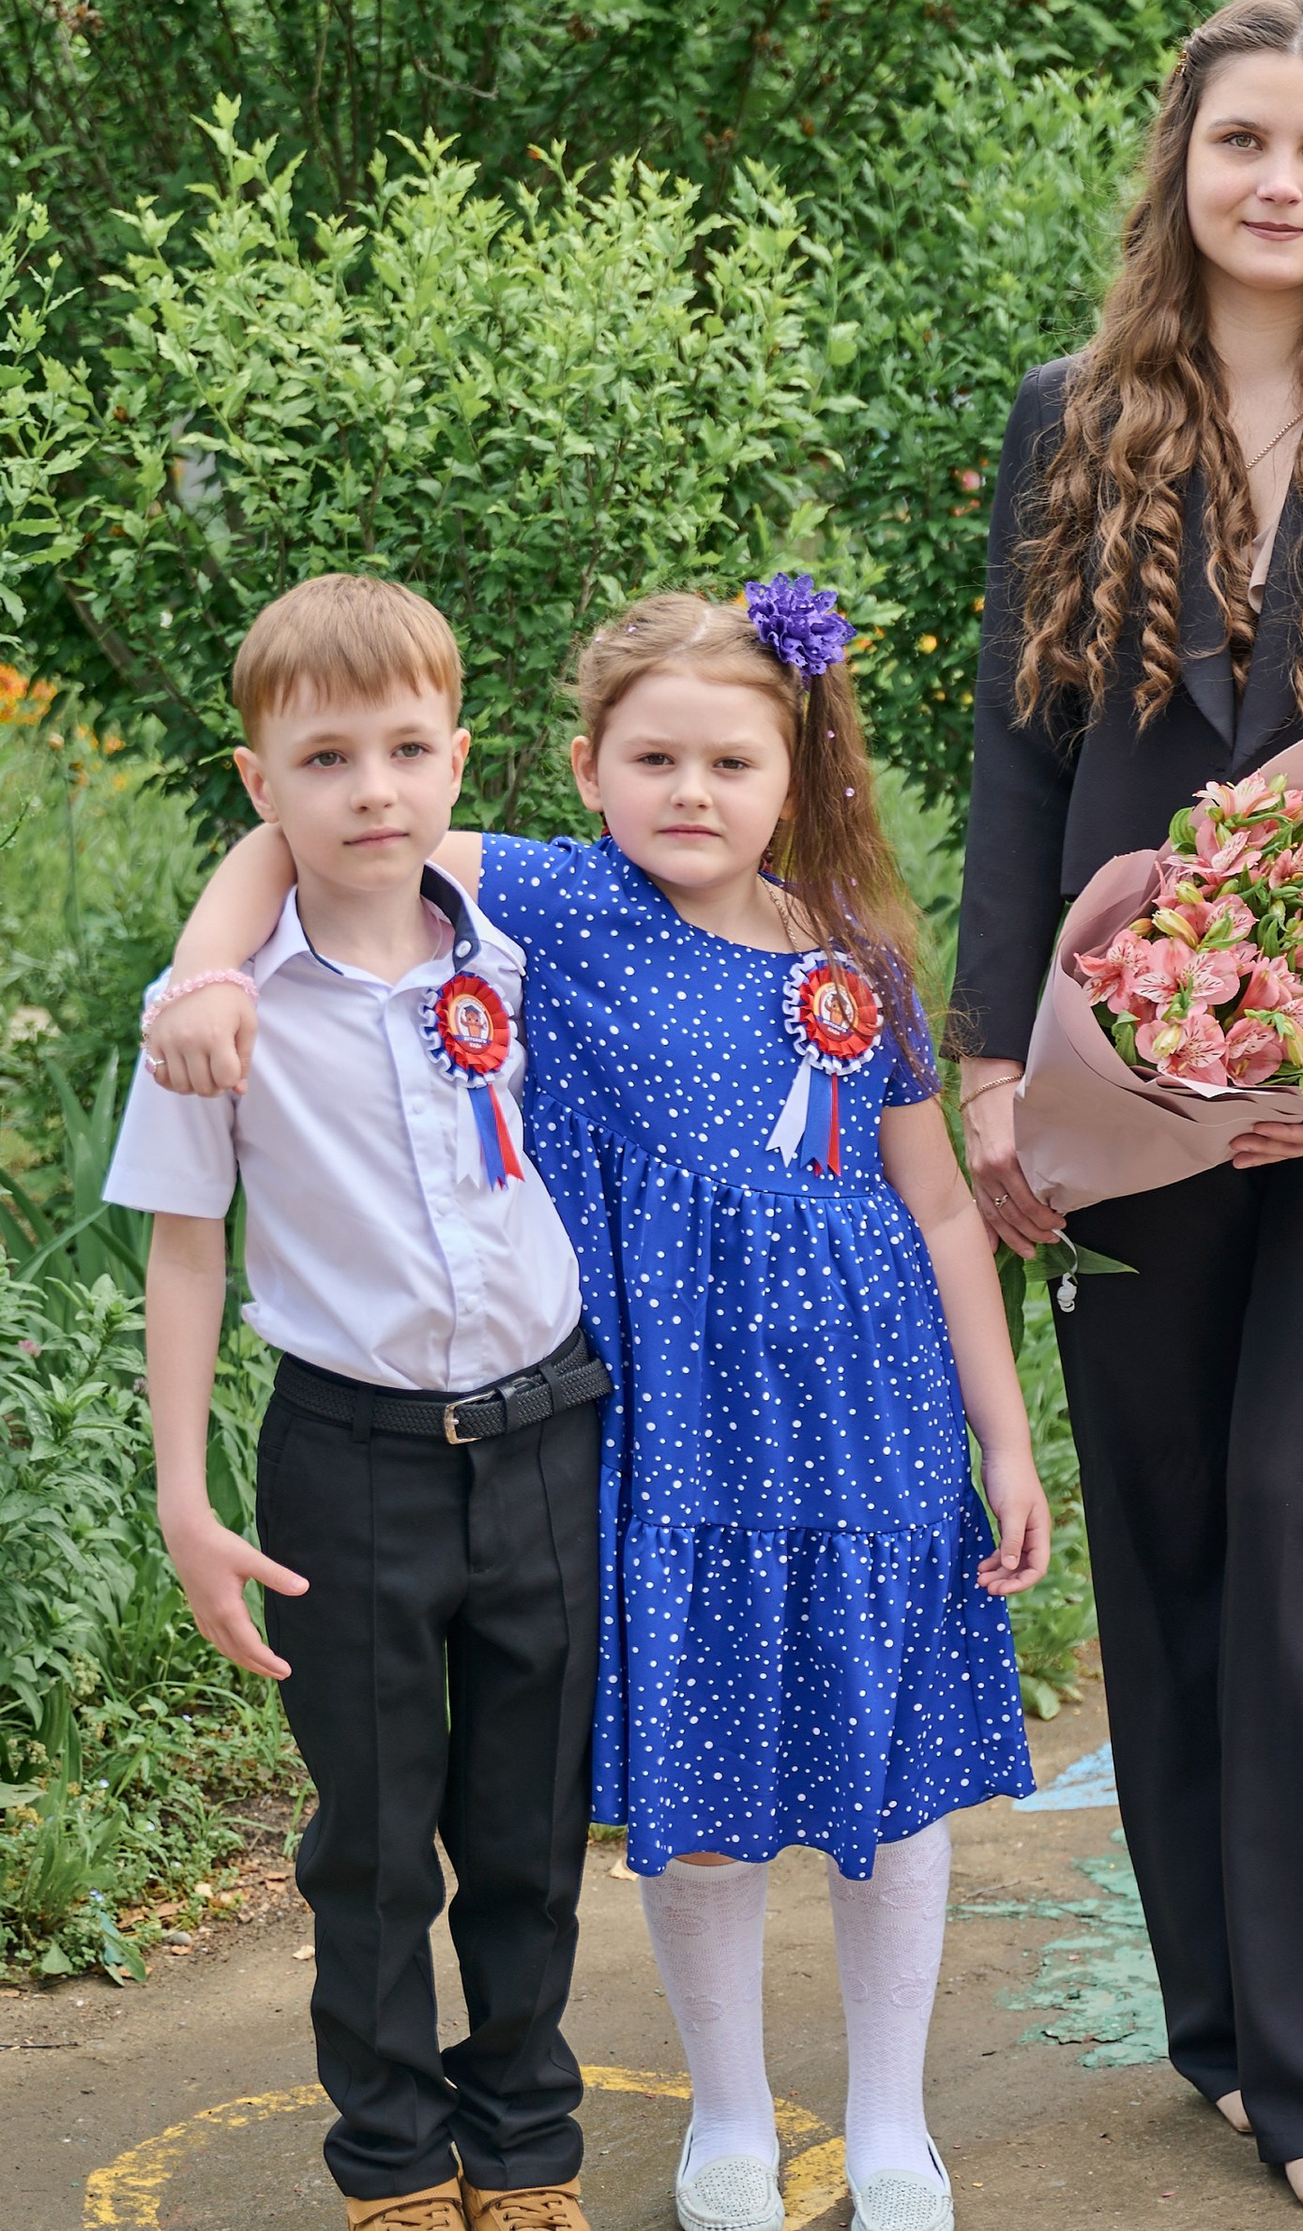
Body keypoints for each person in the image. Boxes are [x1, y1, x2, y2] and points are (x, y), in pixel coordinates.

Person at [146, 580, 1049, 2231]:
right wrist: (207, 971)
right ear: (583, 769)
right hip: (669, 1433)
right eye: (654, 760)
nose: (691, 794)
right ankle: (723, 2121)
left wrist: (1003, 1434)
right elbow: (304, 824)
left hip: (875, 1426)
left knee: (886, 1765)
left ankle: (895, 2117)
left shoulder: (863, 965)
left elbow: (936, 1211)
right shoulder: (555, 907)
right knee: (699, 1780)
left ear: (798, 777)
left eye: (731, 763)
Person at [952, 0, 1303, 2208]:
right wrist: (1003, 1062)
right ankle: (1220, 2018)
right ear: (1176, 169)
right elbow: (1020, 752)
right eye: (1239, 143)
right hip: (1120, 1083)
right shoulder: (1068, 413)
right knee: (1169, 1528)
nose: (1278, 181)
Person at [107, 574, 602, 2231]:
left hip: (545, 1438)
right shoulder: (208, 1024)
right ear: (262, 787)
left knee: (528, 1837)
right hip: (351, 1463)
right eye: (324, 759)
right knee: (375, 1845)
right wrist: (187, 1497)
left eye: (405, 748)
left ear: (460, 762)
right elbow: (187, 1259)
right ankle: (390, 2166)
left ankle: (526, 2153)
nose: (371, 788)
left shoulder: (525, 951)